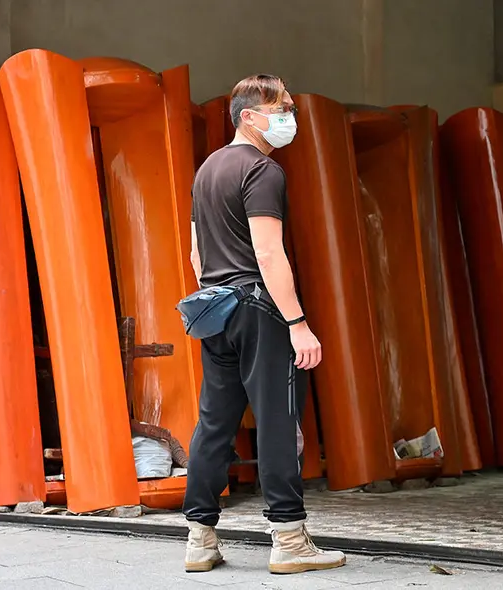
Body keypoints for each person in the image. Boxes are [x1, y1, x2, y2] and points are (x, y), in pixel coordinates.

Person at [182, 74, 346, 575]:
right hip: (258, 308)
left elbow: (195, 253)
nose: (289, 118)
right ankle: (290, 539)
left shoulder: (207, 170)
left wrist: (219, 296)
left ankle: (199, 540)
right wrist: (297, 323)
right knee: (278, 418)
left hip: (215, 309)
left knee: (215, 421)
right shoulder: (262, 170)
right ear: (248, 116)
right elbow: (269, 252)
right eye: (282, 108)